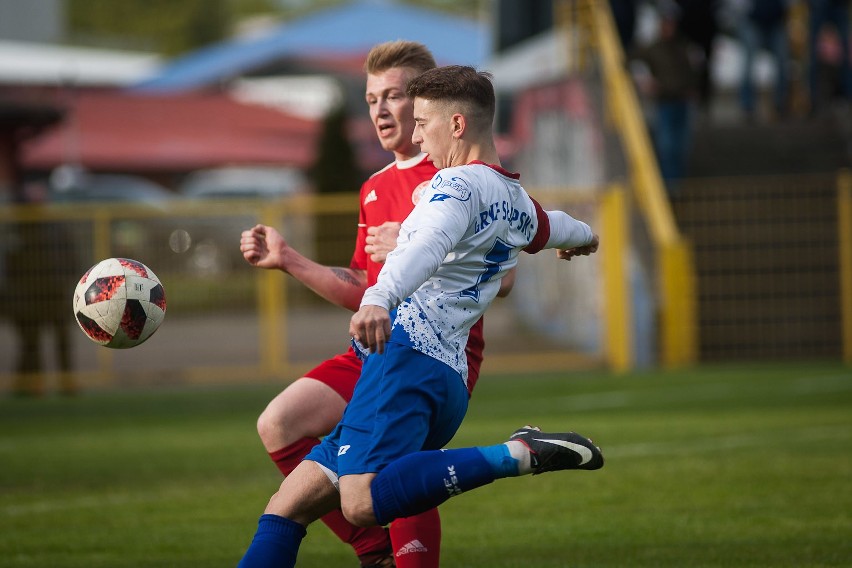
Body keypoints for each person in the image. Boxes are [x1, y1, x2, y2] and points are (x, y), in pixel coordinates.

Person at [236, 65, 603, 568]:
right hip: (444, 379)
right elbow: (557, 225)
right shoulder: (517, 201)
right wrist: (587, 238)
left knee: (360, 503)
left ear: (456, 126)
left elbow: (425, 248)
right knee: (288, 506)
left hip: (407, 361)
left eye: (423, 122)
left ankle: (518, 454)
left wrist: (378, 298)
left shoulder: (452, 186)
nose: (414, 135)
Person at [631, 1, 699, 195]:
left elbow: (695, 70)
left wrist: (693, 87)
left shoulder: (684, 46)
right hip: (665, 103)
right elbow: (630, 60)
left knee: (681, 147)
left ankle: (676, 186)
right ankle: (668, 188)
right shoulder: (653, 48)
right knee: (666, 146)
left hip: (683, 102)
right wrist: (644, 80)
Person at [736, 0, 792, 120]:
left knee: (783, 62)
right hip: (752, 20)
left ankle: (780, 105)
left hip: (776, 21)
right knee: (748, 64)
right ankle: (747, 106)